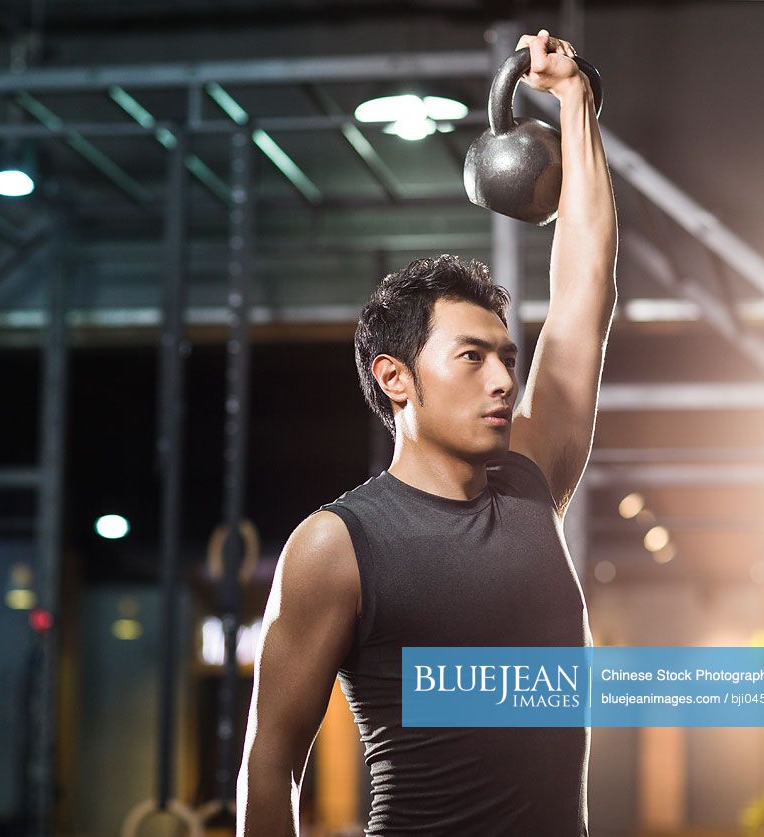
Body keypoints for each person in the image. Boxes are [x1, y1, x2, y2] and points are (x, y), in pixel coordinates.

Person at [237, 29, 618, 836]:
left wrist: (576, 102)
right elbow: (269, 769)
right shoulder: (335, 546)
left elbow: (583, 287)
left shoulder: (529, 476)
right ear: (394, 377)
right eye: (472, 356)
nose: (503, 379)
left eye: (506, 357)